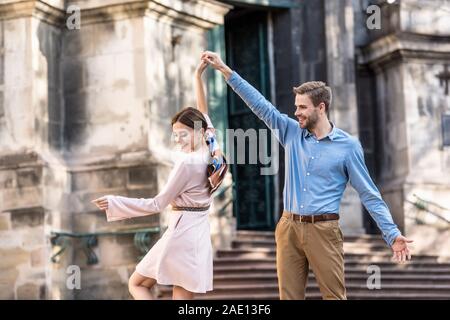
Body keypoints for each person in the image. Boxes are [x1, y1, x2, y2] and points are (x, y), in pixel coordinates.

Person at [201, 51, 413, 300]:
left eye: (302, 107)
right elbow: (260, 106)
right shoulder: (291, 132)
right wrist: (225, 70)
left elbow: (369, 194)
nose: (297, 112)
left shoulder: (348, 146)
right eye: (296, 107)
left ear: (321, 108)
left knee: (334, 297)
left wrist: (392, 233)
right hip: (288, 227)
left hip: (324, 229)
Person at [91, 59, 225, 300]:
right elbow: (203, 112)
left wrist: (114, 202)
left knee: (137, 284)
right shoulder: (213, 148)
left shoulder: (187, 163)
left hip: (182, 234)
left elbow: (156, 204)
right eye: (175, 135)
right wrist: (197, 77)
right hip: (197, 234)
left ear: (197, 131)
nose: (178, 140)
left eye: (183, 134)